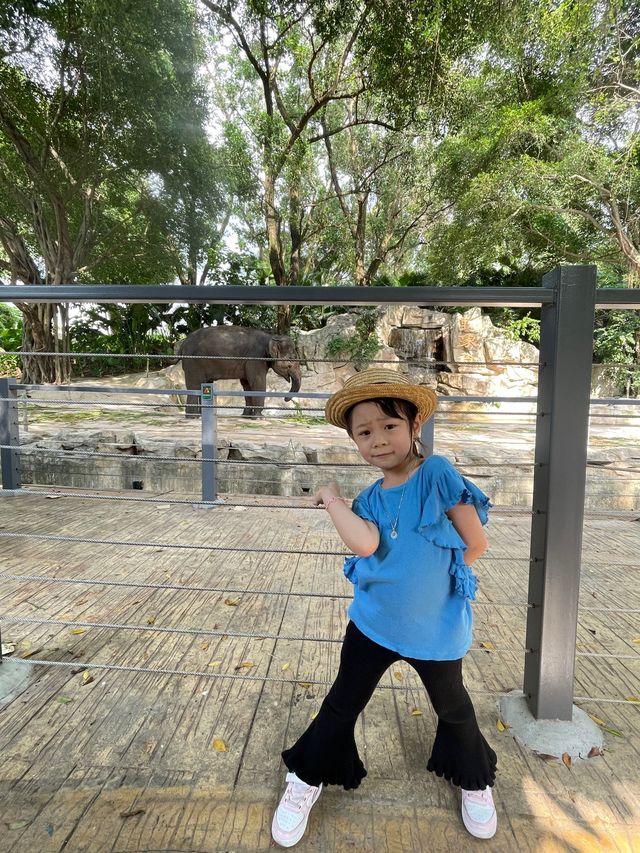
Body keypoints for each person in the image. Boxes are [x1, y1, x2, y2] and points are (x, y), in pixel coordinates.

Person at [271, 368, 498, 848]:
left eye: (389, 426)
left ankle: (475, 782)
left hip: (434, 628)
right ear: (354, 441)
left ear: (415, 425)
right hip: (373, 625)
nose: (378, 440)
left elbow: (473, 543)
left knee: (454, 708)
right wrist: (333, 500)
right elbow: (365, 544)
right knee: (342, 703)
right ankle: (305, 779)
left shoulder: (435, 473)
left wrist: (434, 580)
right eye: (364, 432)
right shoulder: (369, 497)